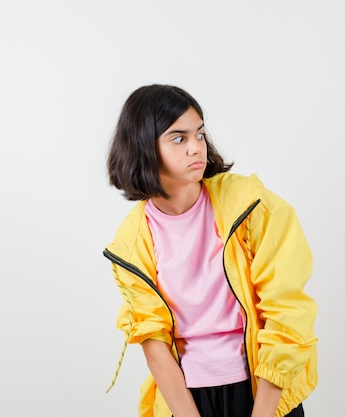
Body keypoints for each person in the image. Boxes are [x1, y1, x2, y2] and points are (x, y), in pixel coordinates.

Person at [103, 84, 318, 417]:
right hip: (186, 398)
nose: (196, 148)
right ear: (144, 148)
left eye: (199, 135)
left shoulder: (250, 205)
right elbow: (153, 341)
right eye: (179, 138)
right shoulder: (131, 243)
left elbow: (286, 313)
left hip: (263, 389)